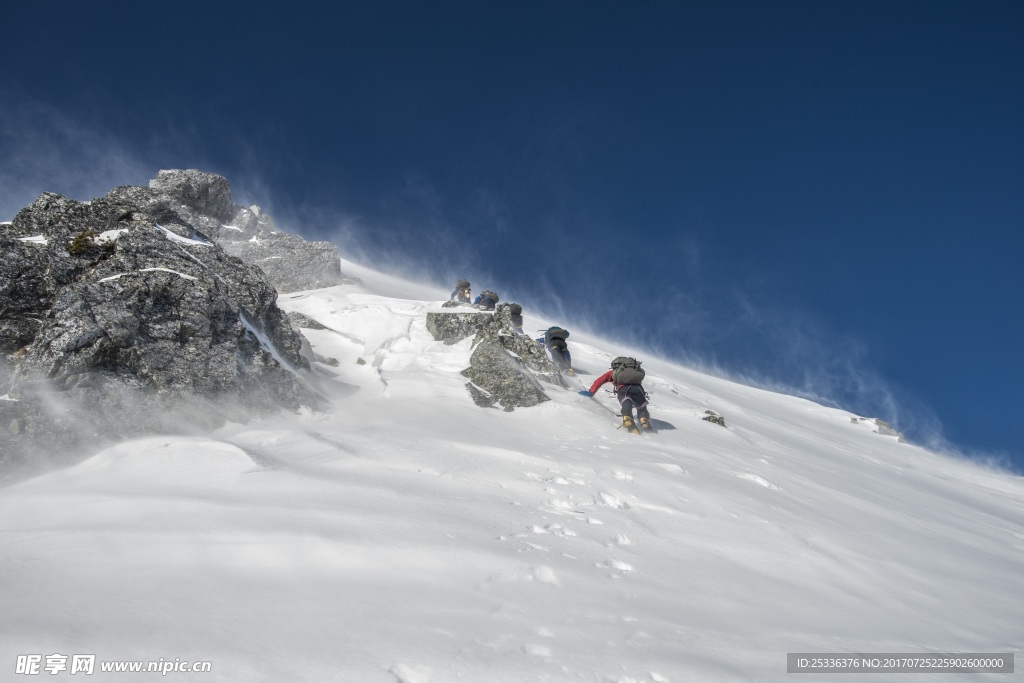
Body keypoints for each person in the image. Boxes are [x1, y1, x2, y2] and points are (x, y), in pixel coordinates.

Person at [579, 357, 651, 433]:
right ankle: (644, 419)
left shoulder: (615, 372)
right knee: (641, 407)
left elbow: (600, 380)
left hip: (623, 389)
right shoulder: (635, 371)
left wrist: (591, 392)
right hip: (638, 389)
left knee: (626, 402)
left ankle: (628, 418)